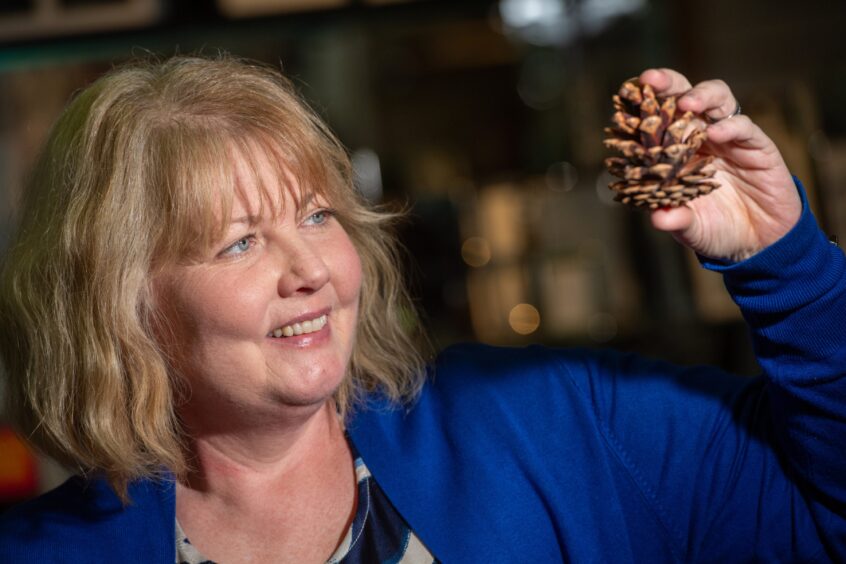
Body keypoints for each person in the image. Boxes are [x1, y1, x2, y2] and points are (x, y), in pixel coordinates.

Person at [0, 55, 843, 563]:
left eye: (316, 216)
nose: (311, 272)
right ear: (126, 302)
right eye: (240, 243)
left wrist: (786, 264)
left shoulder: (557, 426)